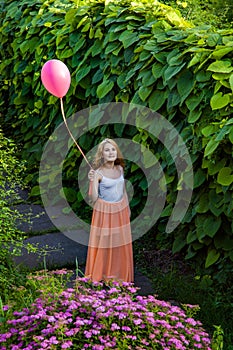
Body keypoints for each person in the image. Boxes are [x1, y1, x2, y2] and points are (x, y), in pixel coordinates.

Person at [85, 138, 134, 283]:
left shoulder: (120, 169)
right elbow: (94, 198)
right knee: (104, 243)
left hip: (120, 211)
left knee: (119, 244)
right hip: (105, 212)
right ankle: (102, 274)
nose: (111, 152)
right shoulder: (98, 173)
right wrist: (92, 180)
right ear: (102, 155)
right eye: (107, 150)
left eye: (113, 149)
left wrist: (127, 207)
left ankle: (118, 275)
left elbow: (123, 190)